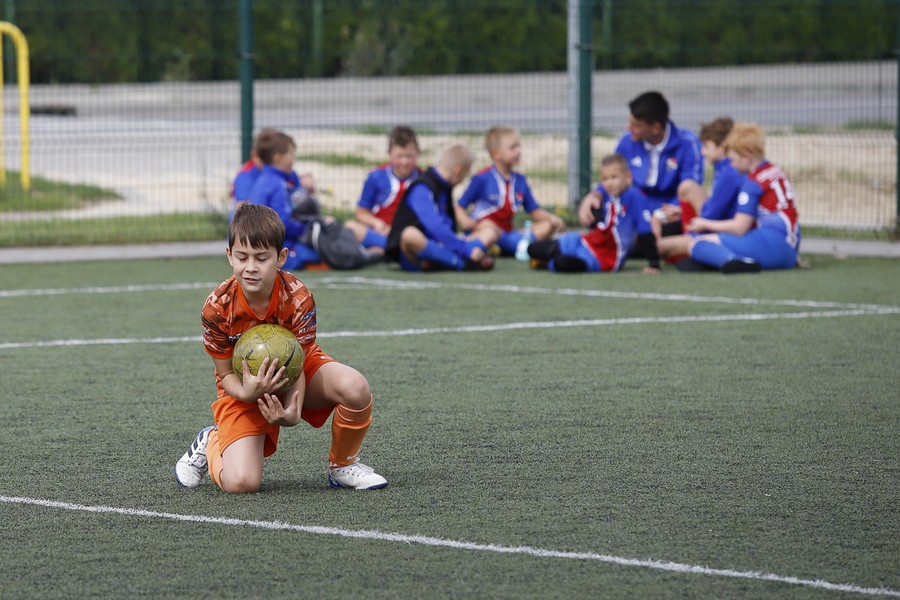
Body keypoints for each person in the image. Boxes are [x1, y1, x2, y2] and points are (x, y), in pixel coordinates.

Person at [174, 203, 387, 492]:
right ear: (229, 256)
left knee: (355, 387)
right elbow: (225, 376)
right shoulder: (216, 308)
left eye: (262, 258)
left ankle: (343, 465)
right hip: (242, 385)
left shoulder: (298, 297)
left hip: (295, 368)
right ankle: (212, 441)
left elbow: (298, 361)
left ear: (281, 257)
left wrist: (294, 408)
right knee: (241, 484)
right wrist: (247, 392)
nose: (250, 267)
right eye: (242, 257)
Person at [685, 122, 800, 273]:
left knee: (697, 244)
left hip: (772, 245)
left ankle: (731, 260)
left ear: (746, 156)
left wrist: (705, 223)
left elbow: (739, 228)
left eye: (732, 160)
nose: (731, 165)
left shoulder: (753, 183)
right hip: (791, 250)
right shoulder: (775, 171)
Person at [588, 91, 703, 241]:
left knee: (679, 223)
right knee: (594, 213)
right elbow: (613, 175)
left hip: (667, 215)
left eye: (635, 125)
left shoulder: (688, 143)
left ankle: (634, 240)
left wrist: (661, 214)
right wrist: (595, 195)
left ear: (655, 128)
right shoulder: (626, 141)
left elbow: (690, 186)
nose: (629, 128)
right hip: (633, 210)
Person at [528, 154, 657, 273]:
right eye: (605, 179)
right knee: (532, 248)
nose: (609, 183)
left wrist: (654, 263)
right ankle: (549, 259)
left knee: (561, 263)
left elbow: (646, 231)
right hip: (586, 240)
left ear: (628, 177)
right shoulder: (606, 195)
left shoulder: (635, 197)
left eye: (614, 177)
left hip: (604, 256)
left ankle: (547, 264)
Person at [456, 126, 565, 259]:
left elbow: (535, 211)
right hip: (487, 231)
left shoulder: (520, 181)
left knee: (547, 226)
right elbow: (459, 206)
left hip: (509, 234)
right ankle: (478, 245)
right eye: (512, 148)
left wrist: (551, 218)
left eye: (518, 146)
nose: (518, 151)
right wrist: (463, 219)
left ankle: (507, 247)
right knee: (489, 227)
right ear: (496, 154)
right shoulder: (482, 178)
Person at [385, 144, 495, 272]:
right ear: (458, 170)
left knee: (490, 232)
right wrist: (466, 249)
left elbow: (446, 225)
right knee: (409, 235)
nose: (462, 180)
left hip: (442, 244)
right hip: (419, 249)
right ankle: (461, 264)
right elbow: (434, 226)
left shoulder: (445, 187)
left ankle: (443, 259)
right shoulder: (422, 187)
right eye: (464, 176)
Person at [656, 117, 745, 264]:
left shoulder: (728, 172)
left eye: (706, 146)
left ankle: (693, 247)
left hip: (722, 234)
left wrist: (696, 224)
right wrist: (682, 211)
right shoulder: (726, 169)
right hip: (722, 228)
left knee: (659, 248)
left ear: (723, 147)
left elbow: (713, 215)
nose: (702, 152)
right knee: (687, 187)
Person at [245, 130, 322, 270]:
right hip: (272, 247)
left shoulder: (264, 179)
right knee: (317, 252)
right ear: (278, 157)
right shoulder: (277, 183)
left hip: (259, 244)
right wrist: (308, 227)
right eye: (291, 154)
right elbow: (282, 223)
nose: (293, 159)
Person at [344, 125, 421, 252]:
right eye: (399, 156)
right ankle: (387, 250)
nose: (404, 161)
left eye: (409, 156)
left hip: (408, 235)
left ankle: (385, 250)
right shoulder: (376, 176)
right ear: (389, 154)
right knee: (350, 227)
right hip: (381, 233)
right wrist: (376, 223)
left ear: (418, 152)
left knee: (413, 238)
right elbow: (361, 213)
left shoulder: (423, 179)